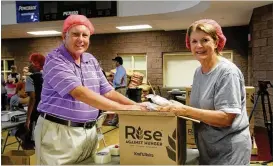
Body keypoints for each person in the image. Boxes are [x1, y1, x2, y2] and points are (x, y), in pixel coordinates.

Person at [34, 14, 145, 165]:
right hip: (60, 133)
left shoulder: (90, 60)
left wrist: (135, 105)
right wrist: (124, 109)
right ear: (64, 36)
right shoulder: (55, 59)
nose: (81, 39)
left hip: (89, 133)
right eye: (75, 34)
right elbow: (79, 93)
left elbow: (108, 91)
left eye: (85, 35)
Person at [158, 19, 251, 165]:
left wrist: (184, 110)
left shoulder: (227, 72)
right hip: (208, 148)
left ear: (216, 42)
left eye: (205, 40)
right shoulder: (198, 72)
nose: (199, 46)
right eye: (194, 41)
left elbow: (226, 118)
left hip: (229, 151)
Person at [24, 53, 45, 149]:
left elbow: (33, 98)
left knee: (34, 141)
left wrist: (28, 119)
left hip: (36, 112)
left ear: (36, 63)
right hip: (48, 112)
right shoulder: (48, 76)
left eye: (31, 62)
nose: (29, 65)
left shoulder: (30, 78)